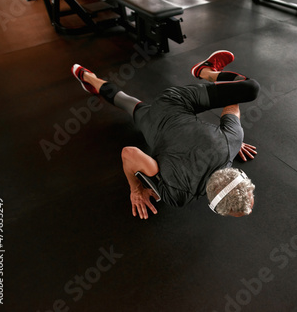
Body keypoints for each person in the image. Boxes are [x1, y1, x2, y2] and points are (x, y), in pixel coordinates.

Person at [71, 50, 260, 219]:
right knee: (127, 103)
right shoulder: (178, 193)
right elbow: (129, 154)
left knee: (250, 88)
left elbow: (233, 104)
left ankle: (88, 78)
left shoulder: (231, 142)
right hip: (158, 119)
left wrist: (233, 135)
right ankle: (89, 77)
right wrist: (136, 190)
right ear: (214, 205)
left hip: (175, 101)